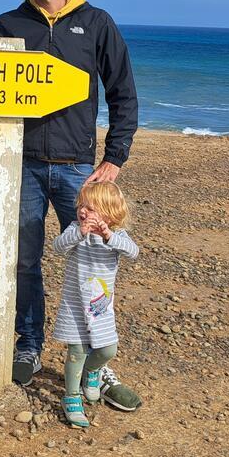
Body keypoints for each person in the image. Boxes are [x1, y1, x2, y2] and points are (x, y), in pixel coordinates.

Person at [0, 0, 142, 410]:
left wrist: (114, 157)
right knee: (25, 263)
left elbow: (123, 94)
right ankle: (29, 345)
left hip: (81, 168)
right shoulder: (7, 23)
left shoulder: (96, 23)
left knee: (93, 261)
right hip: (24, 166)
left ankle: (98, 360)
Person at [51, 182, 139, 428]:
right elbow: (57, 247)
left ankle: (92, 372)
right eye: (81, 205)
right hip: (75, 306)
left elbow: (134, 252)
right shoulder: (74, 230)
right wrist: (80, 232)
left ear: (109, 213)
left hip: (100, 309)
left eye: (90, 208)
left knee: (108, 350)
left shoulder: (117, 236)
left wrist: (109, 237)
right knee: (75, 352)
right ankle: (71, 397)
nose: (83, 211)